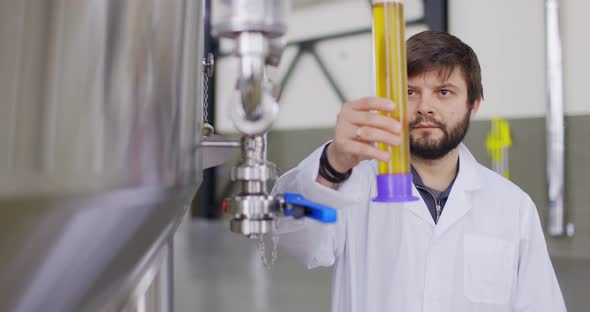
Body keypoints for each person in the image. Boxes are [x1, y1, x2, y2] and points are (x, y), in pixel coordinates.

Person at [272, 31, 566, 312]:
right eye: (410, 91)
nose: (425, 107)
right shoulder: (353, 184)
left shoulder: (512, 206)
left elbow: (540, 304)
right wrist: (332, 164)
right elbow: (291, 234)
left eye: (444, 92)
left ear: (472, 106)